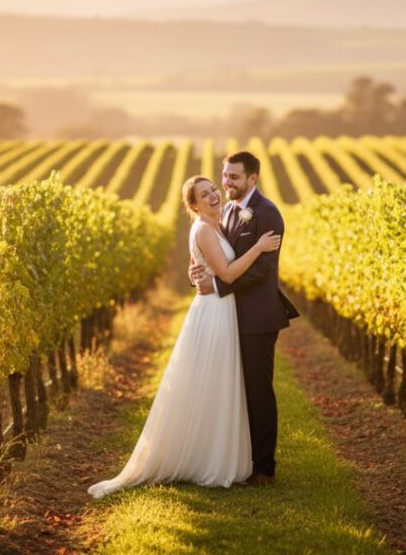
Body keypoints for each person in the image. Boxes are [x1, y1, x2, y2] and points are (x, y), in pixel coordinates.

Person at [87, 176, 281, 498]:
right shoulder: (204, 229)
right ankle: (208, 459)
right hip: (216, 312)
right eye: (204, 194)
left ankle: (219, 454)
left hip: (221, 309)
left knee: (220, 385)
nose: (214, 195)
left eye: (214, 190)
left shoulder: (218, 223)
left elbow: (201, 267)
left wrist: (197, 275)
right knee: (215, 383)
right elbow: (229, 274)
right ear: (193, 205)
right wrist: (259, 248)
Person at [190, 151, 299, 486]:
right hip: (229, 316)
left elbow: (263, 270)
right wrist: (198, 273)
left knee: (258, 390)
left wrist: (217, 284)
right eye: (225, 175)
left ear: (253, 178)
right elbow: (213, 254)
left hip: (257, 318)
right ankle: (237, 458)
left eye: (233, 177)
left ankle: (265, 467)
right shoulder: (229, 211)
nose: (226, 183)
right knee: (235, 389)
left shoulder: (268, 214)